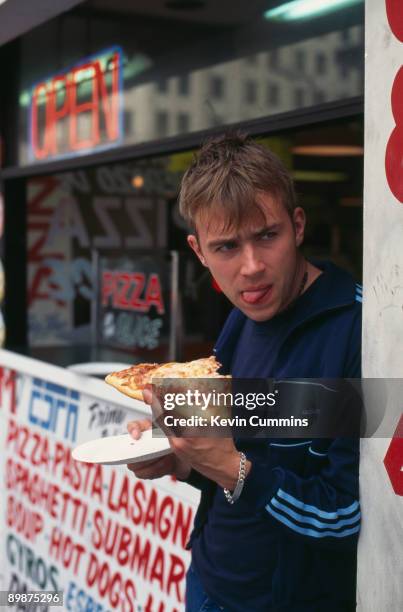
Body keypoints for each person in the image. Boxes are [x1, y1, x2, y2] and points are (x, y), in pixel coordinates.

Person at [127, 133, 361, 611]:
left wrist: (231, 470)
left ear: (297, 226)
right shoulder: (239, 320)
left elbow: (346, 517)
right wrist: (181, 459)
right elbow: (238, 456)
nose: (251, 267)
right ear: (199, 251)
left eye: (267, 236)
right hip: (208, 583)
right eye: (227, 247)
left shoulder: (360, 331)